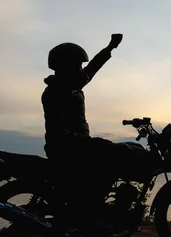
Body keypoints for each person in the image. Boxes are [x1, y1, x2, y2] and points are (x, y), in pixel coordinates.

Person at [41, 34, 125, 204]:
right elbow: (58, 131)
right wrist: (87, 142)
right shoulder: (55, 92)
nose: (81, 70)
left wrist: (110, 47)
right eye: (77, 66)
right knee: (107, 152)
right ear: (66, 67)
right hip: (66, 148)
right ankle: (90, 211)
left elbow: (92, 68)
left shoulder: (71, 86)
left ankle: (94, 208)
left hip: (76, 145)